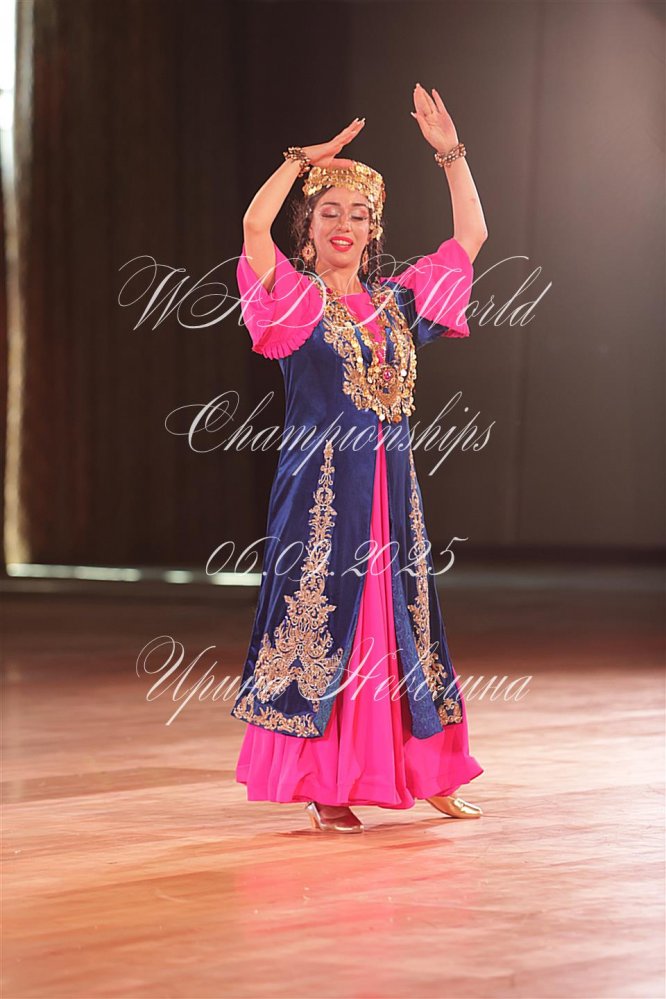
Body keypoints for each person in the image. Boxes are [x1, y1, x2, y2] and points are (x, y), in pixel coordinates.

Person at [231, 84, 488, 833]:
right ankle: (326, 782)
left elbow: (471, 235)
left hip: (392, 495)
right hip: (322, 495)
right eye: (330, 212)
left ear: (374, 231)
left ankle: (428, 769)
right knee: (326, 619)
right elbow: (252, 226)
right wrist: (299, 161)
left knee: (406, 621)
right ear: (308, 228)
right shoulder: (296, 301)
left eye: (359, 215)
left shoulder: (398, 303)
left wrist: (450, 154)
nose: (345, 225)